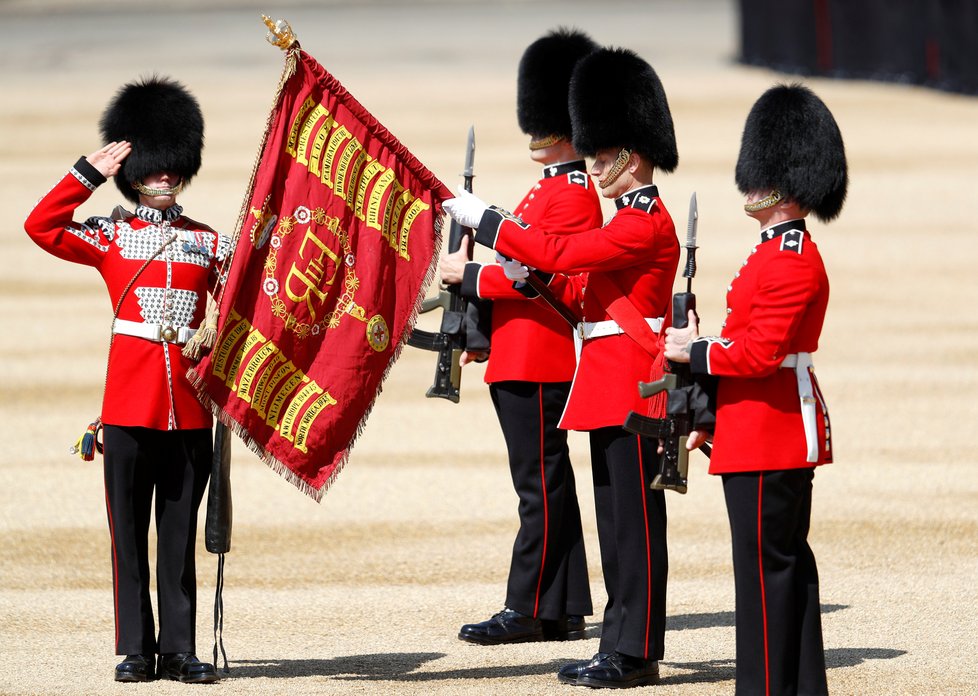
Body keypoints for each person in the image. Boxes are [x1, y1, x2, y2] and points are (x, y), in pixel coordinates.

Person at [443, 46, 681, 688]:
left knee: (632, 528)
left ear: (628, 155)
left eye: (603, 156)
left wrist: (490, 225)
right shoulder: (630, 219)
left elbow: (569, 249)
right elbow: (575, 290)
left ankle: (634, 651)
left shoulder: (647, 223)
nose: (595, 166)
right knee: (614, 522)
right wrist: (520, 280)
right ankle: (619, 642)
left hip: (634, 380)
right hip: (609, 383)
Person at [24, 76, 229, 684]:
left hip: (190, 408)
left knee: (178, 537)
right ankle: (136, 648)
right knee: (128, 538)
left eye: (171, 170)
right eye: (152, 169)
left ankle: (181, 649)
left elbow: (256, 300)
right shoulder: (112, 234)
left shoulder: (208, 242)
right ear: (134, 171)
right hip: (127, 406)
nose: (163, 178)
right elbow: (41, 225)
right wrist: (86, 173)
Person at [663, 83, 847, 696]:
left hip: (772, 431)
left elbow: (758, 353)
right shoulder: (772, 253)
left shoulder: (792, 260)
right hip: (754, 427)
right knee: (782, 566)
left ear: (786, 180)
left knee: (766, 574)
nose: (749, 184)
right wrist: (708, 411)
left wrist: (691, 351)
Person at [439, 28, 602, 646]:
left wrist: (471, 273)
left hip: (539, 356)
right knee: (546, 481)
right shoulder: (551, 188)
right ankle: (562, 604)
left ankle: (529, 606)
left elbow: (543, 274)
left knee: (538, 486)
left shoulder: (571, 193)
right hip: (521, 353)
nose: (535, 133)